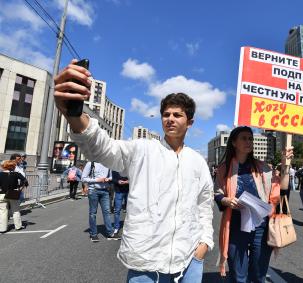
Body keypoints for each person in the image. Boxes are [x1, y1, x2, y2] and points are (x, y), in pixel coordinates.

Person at [54, 61, 213, 283]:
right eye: (166, 114)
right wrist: (73, 114)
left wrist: (204, 245)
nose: (170, 119)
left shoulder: (197, 162)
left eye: (177, 115)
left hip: (189, 262)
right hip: (146, 265)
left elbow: (204, 205)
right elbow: (103, 148)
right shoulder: (142, 149)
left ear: (190, 122)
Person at [214, 126, 292, 282]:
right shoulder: (224, 169)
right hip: (236, 225)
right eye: (244, 138)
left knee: (258, 274)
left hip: (261, 227)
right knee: (238, 275)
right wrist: (226, 200)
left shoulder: (262, 167)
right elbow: (217, 194)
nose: (248, 141)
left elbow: (282, 188)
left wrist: (285, 165)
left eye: (250, 138)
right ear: (234, 143)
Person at [82, 161, 117, 242]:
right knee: (93, 213)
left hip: (105, 191)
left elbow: (111, 176)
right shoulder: (91, 163)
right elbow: (83, 178)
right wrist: (98, 180)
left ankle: (110, 233)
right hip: (93, 190)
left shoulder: (108, 163)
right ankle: (93, 234)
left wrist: (108, 179)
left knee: (107, 212)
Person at [0, 160, 28, 233]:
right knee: (15, 211)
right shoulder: (16, 174)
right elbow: (25, 181)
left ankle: (2, 228)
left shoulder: (0, 174)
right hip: (13, 194)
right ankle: (18, 226)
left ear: (4, 166)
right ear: (13, 167)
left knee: (3, 212)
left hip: (2, 194)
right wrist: (20, 189)